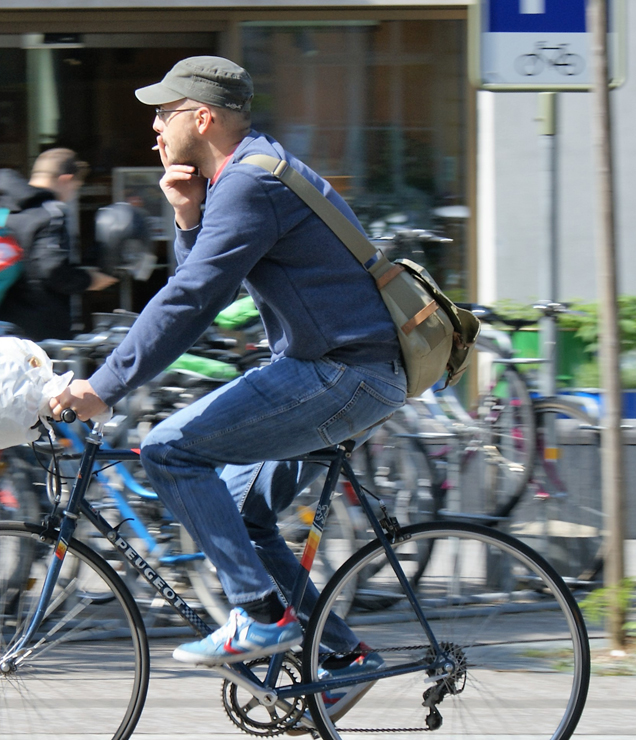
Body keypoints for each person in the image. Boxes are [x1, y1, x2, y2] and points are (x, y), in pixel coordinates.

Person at [48, 56, 406, 682]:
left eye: (164, 113)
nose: (154, 127)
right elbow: (201, 282)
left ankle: (260, 617)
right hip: (344, 371)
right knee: (241, 518)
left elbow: (191, 301)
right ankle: (344, 658)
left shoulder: (249, 184)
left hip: (341, 373)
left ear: (202, 118)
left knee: (168, 450)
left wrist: (104, 387)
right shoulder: (248, 175)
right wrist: (188, 216)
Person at [0, 148, 118, 342]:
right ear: (65, 180)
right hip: (41, 331)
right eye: (76, 186)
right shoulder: (50, 213)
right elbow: (53, 270)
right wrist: (90, 280)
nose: (72, 194)